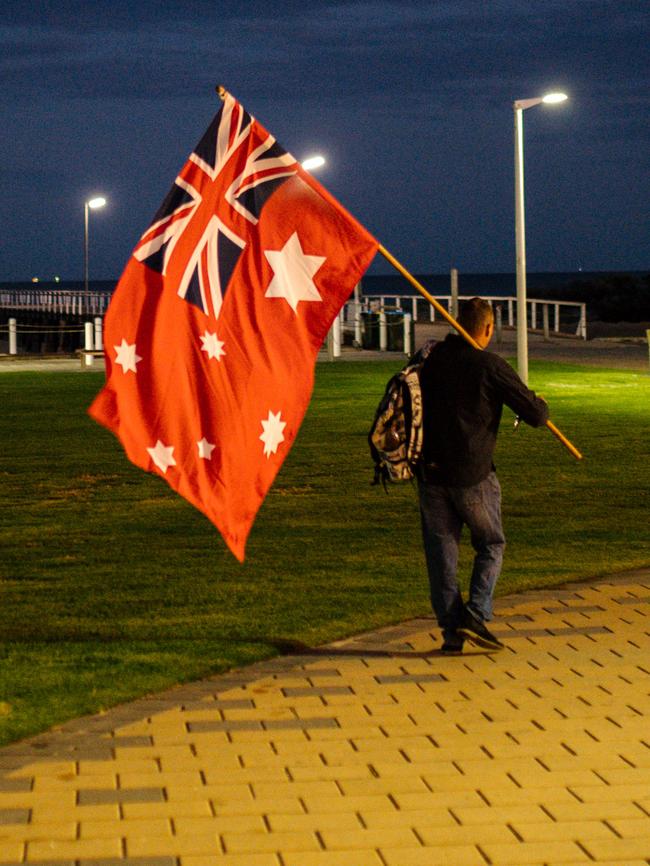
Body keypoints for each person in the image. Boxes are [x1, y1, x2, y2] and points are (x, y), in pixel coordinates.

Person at [417, 297, 549, 654]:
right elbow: (536, 415)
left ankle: (452, 635)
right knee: (491, 544)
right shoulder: (490, 366)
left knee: (442, 556)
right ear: (488, 328)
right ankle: (475, 612)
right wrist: (541, 403)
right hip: (472, 475)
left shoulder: (432, 360)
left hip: (431, 472)